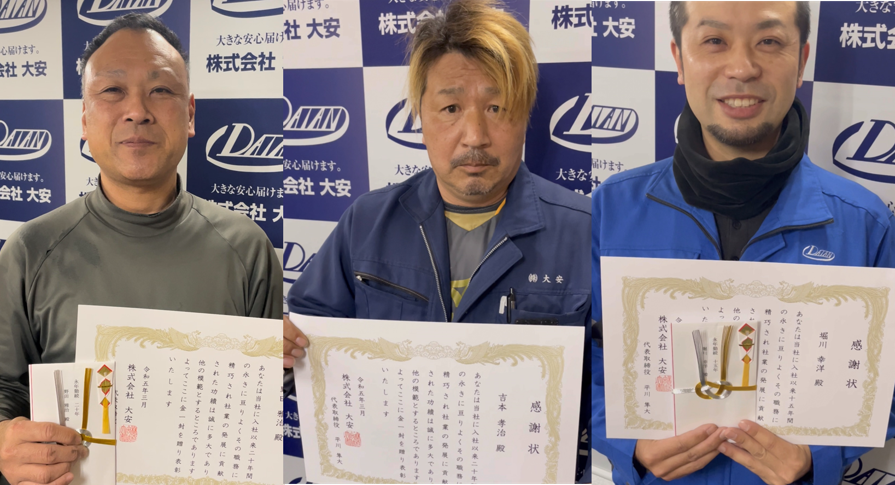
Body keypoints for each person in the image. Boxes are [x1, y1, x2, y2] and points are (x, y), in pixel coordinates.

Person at [282, 0, 591, 481]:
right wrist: (283, 353)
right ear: (420, 117)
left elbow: (612, 396)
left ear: (525, 114)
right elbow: (305, 344)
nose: (475, 136)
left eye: (496, 108)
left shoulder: (585, 231)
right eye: (450, 108)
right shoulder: (367, 222)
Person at [591, 2, 895, 484]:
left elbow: (887, 384)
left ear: (802, 61)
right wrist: (628, 443)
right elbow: (582, 359)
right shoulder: (612, 208)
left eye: (768, 42)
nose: (742, 67)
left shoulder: (864, 223)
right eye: (714, 41)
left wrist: (818, 455)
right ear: (679, 58)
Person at [0, 13, 282, 485]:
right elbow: (5, 390)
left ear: (190, 114)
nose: (137, 111)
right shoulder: (30, 250)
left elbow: (261, 401)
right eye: (112, 90)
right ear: (84, 119)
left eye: (161, 90)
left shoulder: (247, 248)